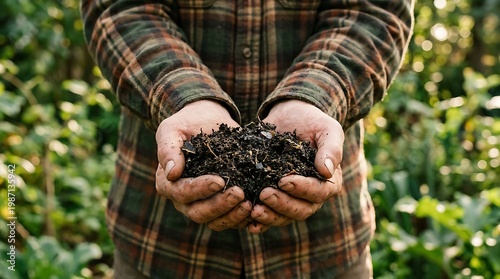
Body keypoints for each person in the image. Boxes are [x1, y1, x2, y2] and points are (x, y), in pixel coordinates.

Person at [81, 0, 414, 278]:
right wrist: (184, 97)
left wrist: (313, 96)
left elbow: (376, 11)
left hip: (325, 247)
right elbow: (121, 8)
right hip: (161, 243)